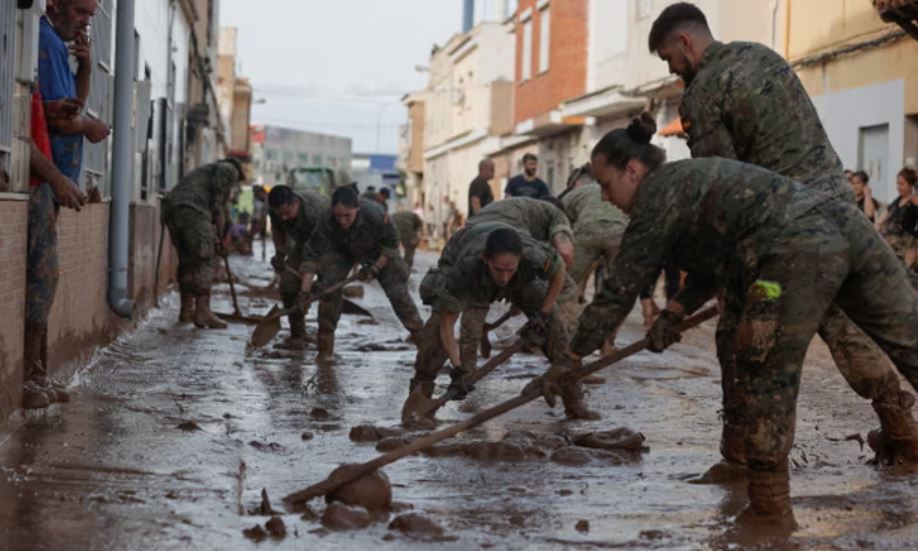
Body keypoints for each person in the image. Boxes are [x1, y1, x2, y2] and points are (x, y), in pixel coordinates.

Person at [568, 116, 918, 524]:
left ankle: (769, 508)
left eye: (606, 185)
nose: (606, 198)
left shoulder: (655, 197)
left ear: (632, 170)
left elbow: (619, 290)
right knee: (909, 340)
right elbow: (719, 260)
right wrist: (677, 310)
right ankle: (906, 440)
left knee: (765, 369)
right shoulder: (689, 180)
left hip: (793, 254)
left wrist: (570, 357)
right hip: (843, 225)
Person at [649, 1, 918, 474]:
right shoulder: (763, 55)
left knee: (737, 332)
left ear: (685, 42)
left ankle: (739, 457)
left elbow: (720, 195)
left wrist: (688, 297)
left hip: (784, 230)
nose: (672, 69)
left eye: (669, 57)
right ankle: (901, 429)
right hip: (839, 210)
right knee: (844, 324)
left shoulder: (703, 93)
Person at [409, 223, 598, 420]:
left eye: (510, 269)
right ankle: (420, 398)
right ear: (486, 259)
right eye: (499, 270)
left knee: (554, 328)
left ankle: (574, 401)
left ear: (520, 259)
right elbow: (447, 324)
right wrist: (459, 368)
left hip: (524, 279)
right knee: (433, 338)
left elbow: (558, 271)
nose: (504, 277)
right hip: (466, 258)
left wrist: (542, 314)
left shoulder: (534, 256)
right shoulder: (464, 270)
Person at [299, 186, 423, 358]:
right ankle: (324, 352)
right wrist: (304, 292)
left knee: (398, 294)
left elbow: (392, 243)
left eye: (347, 216)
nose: (342, 221)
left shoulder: (376, 214)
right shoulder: (326, 218)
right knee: (329, 288)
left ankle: (425, 347)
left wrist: (375, 268)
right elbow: (312, 253)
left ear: (357, 208)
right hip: (341, 249)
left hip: (378, 251)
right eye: (338, 216)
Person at [164, 159, 245, 329]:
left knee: (187, 262)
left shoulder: (204, 172)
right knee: (204, 261)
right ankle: (202, 312)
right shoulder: (228, 168)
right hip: (194, 211)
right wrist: (219, 240)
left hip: (172, 210)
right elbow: (218, 202)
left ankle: (186, 310)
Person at [559, 163, 628, 353]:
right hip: (619, 233)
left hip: (586, 231)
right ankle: (608, 344)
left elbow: (559, 224)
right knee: (617, 290)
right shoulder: (615, 189)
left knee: (565, 285)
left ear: (575, 183)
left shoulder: (572, 194)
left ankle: (565, 341)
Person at [267, 185, 329, 348]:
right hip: (303, 243)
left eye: (287, 213)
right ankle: (298, 335)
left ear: (296, 203)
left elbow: (312, 257)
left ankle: (326, 340)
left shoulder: (314, 213)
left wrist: (305, 290)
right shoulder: (276, 211)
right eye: (280, 214)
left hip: (331, 245)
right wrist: (280, 254)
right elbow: (278, 231)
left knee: (327, 289)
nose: (284, 218)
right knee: (288, 286)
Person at [878, 168, 918, 269]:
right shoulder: (897, 200)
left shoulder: (914, 202)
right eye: (897, 184)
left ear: (911, 185)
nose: (898, 187)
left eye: (902, 184)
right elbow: (883, 217)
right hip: (889, 245)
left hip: (904, 248)